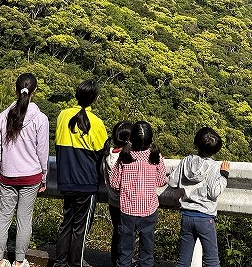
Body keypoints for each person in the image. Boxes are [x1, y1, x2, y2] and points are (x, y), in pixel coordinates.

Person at [0, 73, 50, 267]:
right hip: (31, 176)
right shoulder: (40, 119)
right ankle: (19, 261)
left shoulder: (3, 117)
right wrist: (44, 176)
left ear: (15, 89)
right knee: (25, 220)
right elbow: (42, 151)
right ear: (35, 91)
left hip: (7, 175)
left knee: (3, 218)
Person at [53, 79, 108, 267]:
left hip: (66, 180)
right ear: (95, 98)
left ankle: (60, 263)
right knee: (80, 228)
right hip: (87, 182)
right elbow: (102, 151)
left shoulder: (63, 115)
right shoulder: (97, 123)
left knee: (66, 223)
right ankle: (75, 263)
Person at [109, 121, 169, 267]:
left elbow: (114, 184)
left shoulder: (124, 156)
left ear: (131, 138)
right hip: (148, 209)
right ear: (150, 139)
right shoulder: (155, 156)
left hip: (127, 210)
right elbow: (161, 181)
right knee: (147, 250)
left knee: (125, 250)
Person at [169, 127, 230, 267]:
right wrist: (224, 175)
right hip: (205, 218)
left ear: (195, 144)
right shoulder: (214, 166)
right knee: (212, 261)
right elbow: (214, 192)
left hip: (187, 216)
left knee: (183, 261)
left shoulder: (186, 161)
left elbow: (172, 182)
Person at [103, 121, 133, 267]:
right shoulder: (126, 157)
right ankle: (122, 262)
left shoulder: (107, 155)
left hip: (112, 201)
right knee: (125, 233)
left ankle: (115, 260)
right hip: (125, 202)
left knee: (117, 231)